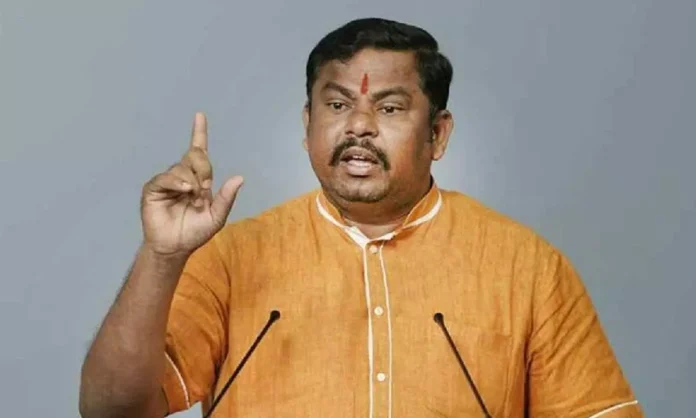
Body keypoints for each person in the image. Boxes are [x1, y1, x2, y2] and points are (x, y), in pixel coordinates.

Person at [79, 17, 642, 418]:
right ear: (307, 126)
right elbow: (112, 411)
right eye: (338, 104)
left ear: (438, 134)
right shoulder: (229, 258)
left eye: (389, 107)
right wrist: (162, 256)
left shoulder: (527, 268)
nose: (359, 126)